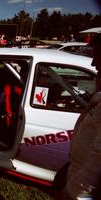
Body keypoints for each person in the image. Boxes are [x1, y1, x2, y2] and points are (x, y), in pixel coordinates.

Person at [60, 34, 101, 199]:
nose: (93, 63)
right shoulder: (98, 97)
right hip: (74, 171)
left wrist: (72, 193)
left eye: (99, 56)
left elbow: (97, 164)